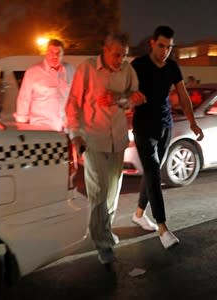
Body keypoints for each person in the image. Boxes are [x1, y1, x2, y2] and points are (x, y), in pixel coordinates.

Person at [66, 32, 145, 265]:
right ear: (105, 49)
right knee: (99, 191)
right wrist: (75, 136)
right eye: (117, 54)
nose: (120, 59)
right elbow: (72, 103)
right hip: (93, 139)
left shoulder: (127, 70)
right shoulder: (87, 69)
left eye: (124, 55)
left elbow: (133, 98)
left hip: (118, 140)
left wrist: (121, 97)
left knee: (112, 192)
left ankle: (105, 231)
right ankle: (102, 243)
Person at [131, 25, 204, 249]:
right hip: (143, 126)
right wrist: (130, 94)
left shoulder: (172, 67)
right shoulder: (138, 65)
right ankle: (163, 228)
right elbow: (123, 90)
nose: (165, 51)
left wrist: (192, 121)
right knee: (153, 172)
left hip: (165, 126)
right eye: (161, 46)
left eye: (169, 47)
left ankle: (139, 214)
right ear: (153, 43)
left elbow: (182, 95)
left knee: (154, 172)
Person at [15, 39, 75, 131]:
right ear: (46, 53)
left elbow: (75, 95)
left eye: (58, 52)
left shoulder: (70, 70)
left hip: (64, 125)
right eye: (51, 52)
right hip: (42, 125)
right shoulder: (33, 71)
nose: (55, 55)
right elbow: (24, 97)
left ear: (63, 54)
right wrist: (22, 121)